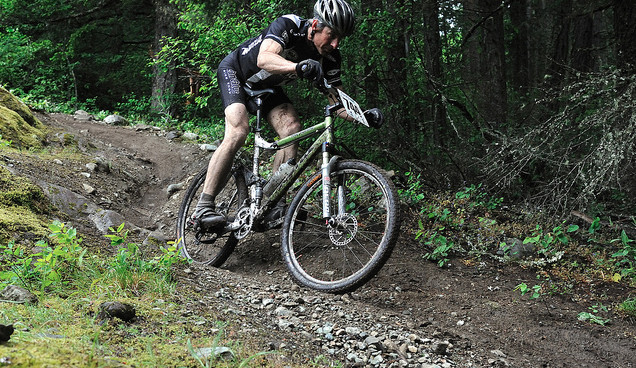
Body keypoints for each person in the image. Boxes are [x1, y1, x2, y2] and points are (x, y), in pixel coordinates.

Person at [191, 0, 383, 231]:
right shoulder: (289, 25)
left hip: (267, 88)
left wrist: (362, 116)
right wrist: (298, 66)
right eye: (331, 35)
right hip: (237, 75)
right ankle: (203, 207)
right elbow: (264, 58)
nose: (335, 43)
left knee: (292, 130)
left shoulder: (330, 57)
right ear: (315, 25)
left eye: (340, 38)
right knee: (238, 131)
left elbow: (336, 100)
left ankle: (273, 202)